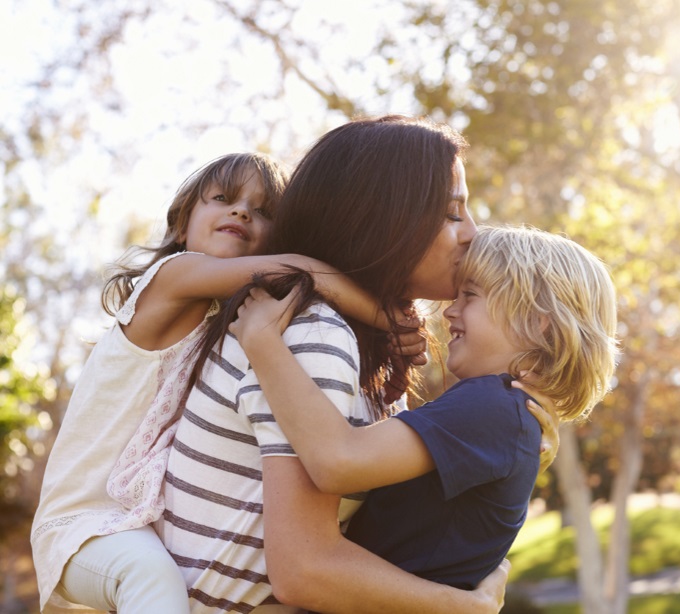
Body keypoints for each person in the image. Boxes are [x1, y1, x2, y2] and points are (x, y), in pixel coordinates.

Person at [158, 116, 558, 613]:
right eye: (453, 212)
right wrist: (463, 607)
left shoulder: (342, 341)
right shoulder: (313, 335)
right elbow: (306, 571)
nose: (471, 233)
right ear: (385, 217)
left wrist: (503, 441)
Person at [30, 152, 402, 614]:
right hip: (83, 523)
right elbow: (300, 272)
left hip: (140, 520)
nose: (242, 211)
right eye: (223, 198)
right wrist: (389, 322)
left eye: (262, 210)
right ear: (183, 224)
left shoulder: (230, 321)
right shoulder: (173, 277)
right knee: (151, 579)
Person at [231, 224, 619, 590]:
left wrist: (262, 341)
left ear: (538, 324)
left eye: (471, 295)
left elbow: (338, 460)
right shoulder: (507, 413)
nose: (450, 311)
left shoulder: (492, 405)